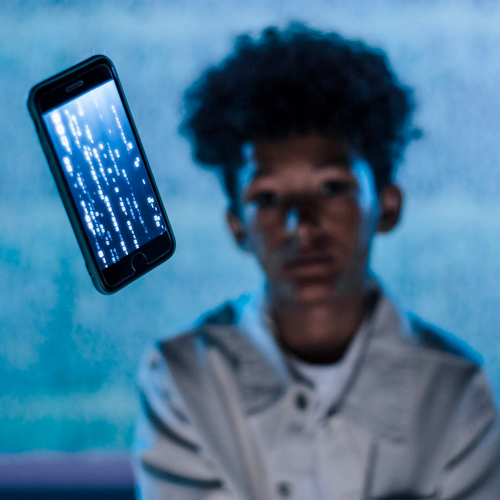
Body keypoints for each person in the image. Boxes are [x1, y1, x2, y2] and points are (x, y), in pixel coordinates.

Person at [133, 24, 500, 499]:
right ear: (236, 226)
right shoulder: (181, 375)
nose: (300, 226)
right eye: (267, 198)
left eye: (332, 188)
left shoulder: (456, 391)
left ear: (386, 206)